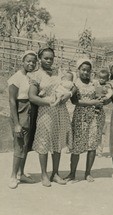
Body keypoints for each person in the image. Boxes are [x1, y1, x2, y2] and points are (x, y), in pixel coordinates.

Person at [28, 48, 75, 187]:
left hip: (60, 111)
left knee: (57, 141)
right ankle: (44, 174)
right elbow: (32, 97)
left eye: (51, 58)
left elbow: (73, 86)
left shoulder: (58, 73)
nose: (49, 61)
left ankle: (55, 173)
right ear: (40, 58)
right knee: (44, 141)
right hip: (45, 112)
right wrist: (49, 101)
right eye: (46, 58)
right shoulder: (35, 75)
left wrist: (68, 95)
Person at [64, 59, 105, 182]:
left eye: (88, 70)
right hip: (80, 117)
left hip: (94, 117)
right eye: (83, 70)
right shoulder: (75, 84)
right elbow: (75, 101)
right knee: (76, 146)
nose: (86, 72)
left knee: (92, 145)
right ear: (78, 70)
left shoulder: (95, 84)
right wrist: (92, 102)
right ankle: (72, 173)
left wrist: (100, 101)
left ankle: (88, 173)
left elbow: (100, 97)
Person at [8, 50, 38, 189]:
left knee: (25, 145)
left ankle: (21, 173)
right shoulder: (16, 78)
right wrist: (17, 124)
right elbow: (12, 101)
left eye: (34, 61)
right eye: (28, 61)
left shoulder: (30, 77)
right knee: (19, 145)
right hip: (20, 111)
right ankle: (13, 176)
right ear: (23, 61)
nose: (31, 64)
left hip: (31, 111)